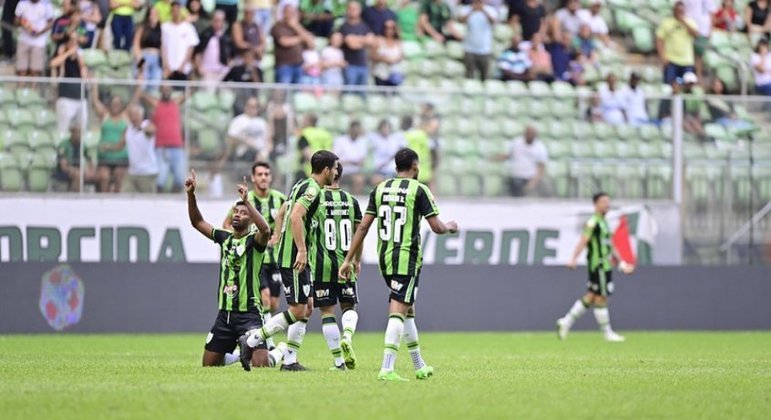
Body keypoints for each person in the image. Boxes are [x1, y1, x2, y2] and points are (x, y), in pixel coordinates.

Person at [338, 147, 459, 381]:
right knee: (398, 311)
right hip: (407, 259)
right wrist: (451, 227)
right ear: (416, 167)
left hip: (385, 259)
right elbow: (437, 227)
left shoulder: (380, 189)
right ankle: (386, 368)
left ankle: (419, 365)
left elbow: (363, 227)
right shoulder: (420, 190)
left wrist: (348, 259)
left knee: (408, 309)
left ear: (395, 168)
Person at [238, 150, 340, 372]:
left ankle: (290, 360)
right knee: (297, 310)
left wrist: (278, 235)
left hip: (297, 256)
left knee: (308, 307)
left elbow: (281, 213)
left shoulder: (301, 185)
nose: (336, 172)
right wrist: (301, 250)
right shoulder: (312, 189)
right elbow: (294, 216)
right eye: (334, 168)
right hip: (294, 258)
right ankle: (253, 339)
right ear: (326, 170)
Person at [185, 169, 282, 369]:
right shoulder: (224, 237)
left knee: (261, 366)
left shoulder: (255, 241)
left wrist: (247, 202)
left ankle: (279, 351)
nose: (237, 215)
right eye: (236, 212)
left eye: (243, 213)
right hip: (225, 315)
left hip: (250, 315)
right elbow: (197, 222)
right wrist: (191, 195)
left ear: (251, 219)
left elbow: (266, 230)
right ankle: (239, 353)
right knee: (209, 366)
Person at [222, 162, 287, 351]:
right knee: (265, 299)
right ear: (253, 178)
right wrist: (242, 239)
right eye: (259, 174)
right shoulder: (245, 201)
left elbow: (291, 221)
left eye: (267, 174)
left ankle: (254, 334)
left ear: (271, 177)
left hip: (275, 259)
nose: (264, 177)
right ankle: (269, 343)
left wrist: (279, 234)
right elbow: (226, 224)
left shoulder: (280, 199)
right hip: (255, 261)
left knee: (273, 303)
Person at [306, 163, 363, 370]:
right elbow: (360, 232)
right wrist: (357, 259)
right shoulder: (352, 201)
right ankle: (347, 336)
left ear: (331, 172)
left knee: (327, 312)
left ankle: (339, 362)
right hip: (345, 263)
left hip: (322, 265)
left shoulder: (316, 198)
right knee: (349, 306)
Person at [557, 192, 634, 342]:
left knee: (591, 296)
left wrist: (622, 263)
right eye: (604, 201)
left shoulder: (604, 223)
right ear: (596, 204)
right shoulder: (593, 222)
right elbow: (583, 241)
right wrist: (573, 258)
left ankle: (565, 322)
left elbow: (610, 246)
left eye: (608, 201)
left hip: (604, 265)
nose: (607, 204)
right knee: (601, 297)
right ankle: (607, 333)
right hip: (598, 265)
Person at [91, 82, 140, 193]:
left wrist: (139, 83)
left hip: (120, 156)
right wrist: (94, 86)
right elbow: (95, 102)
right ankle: (103, 202)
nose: (115, 106)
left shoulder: (125, 115)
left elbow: (135, 98)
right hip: (105, 155)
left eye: (118, 104)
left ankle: (116, 202)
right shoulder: (105, 115)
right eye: (113, 103)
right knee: (104, 177)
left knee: (119, 178)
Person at [142, 84, 187, 193]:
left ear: (171, 90)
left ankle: (173, 201)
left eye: (168, 89)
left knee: (180, 180)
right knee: (160, 181)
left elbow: (189, 92)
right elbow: (142, 94)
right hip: (161, 148)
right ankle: (158, 203)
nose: (166, 91)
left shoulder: (175, 103)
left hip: (177, 147)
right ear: (160, 91)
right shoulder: (157, 104)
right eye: (164, 89)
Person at [493, 125, 548, 197]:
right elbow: (508, 155)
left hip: (530, 177)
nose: (530, 135)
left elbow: (541, 167)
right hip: (516, 176)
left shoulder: (540, 147)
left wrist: (533, 182)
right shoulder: (516, 143)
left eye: (532, 134)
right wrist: (494, 158)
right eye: (528, 133)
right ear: (524, 134)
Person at [51, 34, 88, 134]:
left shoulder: (80, 57)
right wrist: (68, 53)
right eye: (72, 41)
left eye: (76, 41)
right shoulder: (62, 56)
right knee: (63, 128)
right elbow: (53, 63)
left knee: (81, 127)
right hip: (66, 97)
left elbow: (85, 75)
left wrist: (80, 60)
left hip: (80, 96)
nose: (74, 43)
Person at [117, 105, 158, 193]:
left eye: (135, 114)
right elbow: (120, 145)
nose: (133, 117)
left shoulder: (147, 124)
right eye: (131, 114)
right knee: (123, 197)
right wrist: (107, 147)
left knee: (149, 202)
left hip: (147, 172)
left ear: (141, 115)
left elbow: (152, 130)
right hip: (132, 172)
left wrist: (141, 128)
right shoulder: (128, 129)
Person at [656, 1, 699, 84]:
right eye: (678, 10)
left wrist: (683, 21)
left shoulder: (689, 21)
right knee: (670, 86)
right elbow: (659, 39)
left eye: (681, 11)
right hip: (671, 60)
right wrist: (663, 56)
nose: (680, 12)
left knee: (687, 86)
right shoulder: (667, 23)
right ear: (674, 10)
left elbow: (696, 34)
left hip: (687, 61)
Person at [221, 96, 272, 165]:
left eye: (255, 106)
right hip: (244, 152)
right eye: (250, 106)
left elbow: (268, 141)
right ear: (246, 107)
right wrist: (243, 140)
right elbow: (231, 139)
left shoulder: (262, 122)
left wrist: (265, 152)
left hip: (261, 152)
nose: (252, 109)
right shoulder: (238, 121)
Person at [271, 4, 315, 84]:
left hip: (299, 65)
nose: (292, 15)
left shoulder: (299, 28)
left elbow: (311, 43)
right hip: (284, 66)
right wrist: (301, 38)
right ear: (284, 13)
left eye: (293, 12)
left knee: (297, 94)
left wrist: (296, 27)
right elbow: (284, 42)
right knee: (283, 92)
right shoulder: (278, 27)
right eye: (289, 12)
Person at [15, 0, 54, 87]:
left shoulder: (46, 4)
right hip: (24, 39)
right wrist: (24, 23)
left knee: (35, 70)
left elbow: (51, 22)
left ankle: (33, 93)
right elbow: (16, 21)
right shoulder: (22, 3)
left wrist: (39, 32)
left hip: (39, 42)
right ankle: (20, 91)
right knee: (21, 69)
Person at [52, 123, 99, 192]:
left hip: (79, 169)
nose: (79, 135)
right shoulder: (64, 145)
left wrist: (91, 170)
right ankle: (75, 197)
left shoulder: (83, 145)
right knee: (78, 175)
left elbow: (90, 160)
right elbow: (64, 167)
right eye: (77, 132)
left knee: (100, 176)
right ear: (72, 132)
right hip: (64, 171)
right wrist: (78, 171)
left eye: (81, 133)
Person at [161, 2, 200, 83]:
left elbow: (191, 47)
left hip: (183, 69)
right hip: (169, 68)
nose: (176, 13)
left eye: (177, 10)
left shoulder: (188, 27)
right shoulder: (164, 27)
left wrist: (183, 65)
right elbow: (162, 47)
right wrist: (166, 65)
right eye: (173, 11)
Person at [340, 1, 375, 87]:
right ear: (347, 10)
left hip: (363, 65)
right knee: (349, 94)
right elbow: (352, 44)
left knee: (362, 95)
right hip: (350, 66)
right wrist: (364, 40)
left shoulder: (364, 26)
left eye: (355, 9)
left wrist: (356, 39)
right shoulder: (344, 27)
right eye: (351, 8)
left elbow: (372, 41)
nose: (353, 11)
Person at [460, 0, 496, 82]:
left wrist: (483, 10)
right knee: (469, 77)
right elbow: (461, 21)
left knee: (485, 77)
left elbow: (493, 22)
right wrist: (472, 10)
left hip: (485, 49)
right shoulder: (467, 9)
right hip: (469, 49)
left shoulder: (490, 10)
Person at [195, 10, 232, 89]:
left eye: (220, 21)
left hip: (222, 71)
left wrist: (227, 67)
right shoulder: (205, 34)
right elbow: (198, 52)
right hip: (207, 71)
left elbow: (230, 54)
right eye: (216, 21)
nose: (218, 24)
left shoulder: (226, 37)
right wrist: (199, 67)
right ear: (211, 21)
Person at [683, 0, 718, 80]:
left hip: (702, 30)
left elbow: (712, 13)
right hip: (689, 27)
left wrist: (710, 30)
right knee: (688, 53)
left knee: (699, 55)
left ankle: (698, 76)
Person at [333, 120, 368, 194]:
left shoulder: (362, 141)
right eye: (355, 130)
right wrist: (351, 162)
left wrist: (348, 161)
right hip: (341, 171)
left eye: (358, 131)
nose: (356, 133)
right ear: (350, 130)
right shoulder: (340, 140)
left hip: (355, 171)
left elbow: (361, 162)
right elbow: (335, 159)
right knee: (335, 178)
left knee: (359, 180)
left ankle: (355, 201)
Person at [133, 7, 163, 92]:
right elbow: (136, 45)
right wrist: (140, 63)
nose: (153, 16)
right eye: (151, 14)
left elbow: (162, 47)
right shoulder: (142, 28)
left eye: (155, 14)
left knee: (154, 85)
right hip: (144, 57)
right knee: (141, 84)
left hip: (156, 59)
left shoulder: (161, 29)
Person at [296, 113, 333, 179]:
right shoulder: (325, 133)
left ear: (308, 121)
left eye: (304, 120)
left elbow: (307, 153)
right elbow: (331, 152)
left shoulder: (303, 134)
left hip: (308, 171)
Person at [370, 119, 406, 185]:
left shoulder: (395, 139)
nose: (385, 130)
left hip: (393, 170)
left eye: (387, 128)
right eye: (383, 128)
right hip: (379, 169)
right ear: (380, 129)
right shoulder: (374, 138)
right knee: (376, 181)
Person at [371, 19, 404, 87]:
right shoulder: (378, 40)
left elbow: (401, 56)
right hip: (380, 74)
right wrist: (384, 58)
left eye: (392, 28)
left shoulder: (398, 42)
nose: (389, 30)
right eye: (386, 28)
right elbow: (373, 56)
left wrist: (394, 60)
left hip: (394, 73)